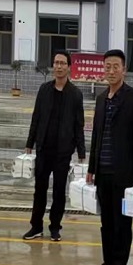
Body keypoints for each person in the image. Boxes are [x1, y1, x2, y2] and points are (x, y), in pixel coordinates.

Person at [83, 49, 133, 265]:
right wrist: (92, 168)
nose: (111, 71)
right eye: (107, 67)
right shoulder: (102, 99)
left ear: (124, 70)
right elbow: (96, 136)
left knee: (122, 225)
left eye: (115, 67)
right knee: (106, 224)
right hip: (103, 173)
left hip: (124, 174)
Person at [23, 50, 86, 242]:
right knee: (39, 189)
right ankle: (36, 226)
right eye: (56, 63)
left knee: (59, 191)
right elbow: (36, 117)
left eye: (62, 63)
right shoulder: (44, 90)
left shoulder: (75, 94)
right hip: (43, 148)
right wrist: (30, 143)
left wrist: (81, 151)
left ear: (69, 67)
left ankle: (55, 227)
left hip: (63, 151)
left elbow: (79, 125)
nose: (58, 66)